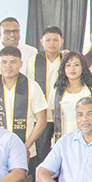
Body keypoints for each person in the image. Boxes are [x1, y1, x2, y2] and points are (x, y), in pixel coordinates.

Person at [0, 46, 48, 162]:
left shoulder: (32, 86)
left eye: (13, 62)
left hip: (26, 151)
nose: (8, 66)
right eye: (4, 62)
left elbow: (41, 120)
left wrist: (25, 146)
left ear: (21, 64)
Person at [25, 26, 66, 164]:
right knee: (42, 150)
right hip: (41, 114)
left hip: (62, 112)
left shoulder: (66, 60)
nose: (52, 43)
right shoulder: (33, 60)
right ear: (42, 41)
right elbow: (30, 86)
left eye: (55, 40)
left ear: (61, 42)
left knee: (62, 149)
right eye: (48, 40)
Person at [49, 51, 92, 144]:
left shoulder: (91, 90)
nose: (72, 69)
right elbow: (53, 114)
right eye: (68, 65)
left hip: (88, 139)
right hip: (63, 138)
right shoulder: (58, 91)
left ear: (83, 67)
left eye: (76, 65)